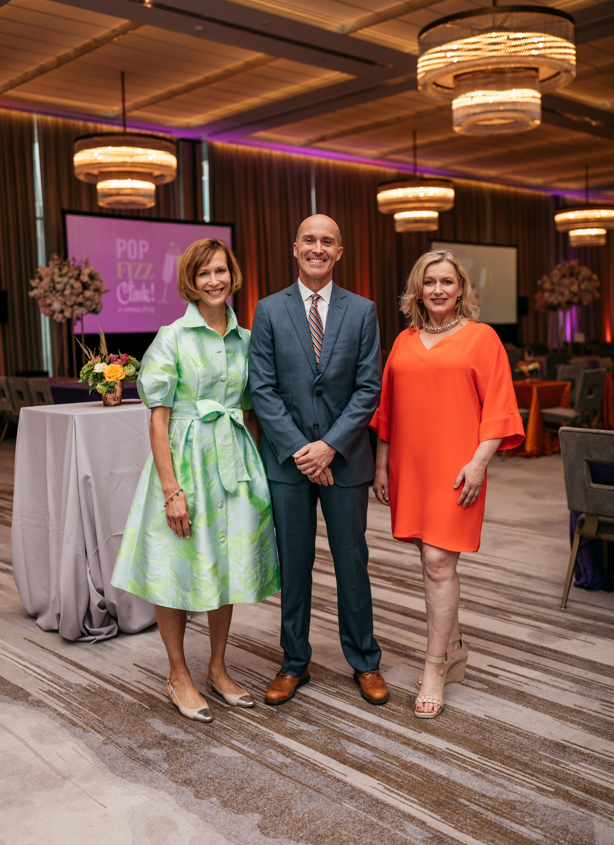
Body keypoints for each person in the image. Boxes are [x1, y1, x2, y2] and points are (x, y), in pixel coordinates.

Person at [112, 239, 280, 722]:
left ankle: (219, 668)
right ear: (191, 279)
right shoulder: (172, 337)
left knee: (224, 564)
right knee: (179, 570)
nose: (214, 280)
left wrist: (251, 471)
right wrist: (171, 490)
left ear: (233, 275)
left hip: (232, 467)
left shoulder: (247, 339)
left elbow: (252, 413)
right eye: (204, 272)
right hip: (184, 465)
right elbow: (157, 420)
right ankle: (178, 673)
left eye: (221, 271)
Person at [371, 249, 524, 719]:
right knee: (427, 556)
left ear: (461, 290)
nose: (438, 290)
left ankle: (435, 665)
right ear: (418, 289)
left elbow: (499, 407)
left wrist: (480, 463)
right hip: (409, 465)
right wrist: (381, 465)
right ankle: (454, 645)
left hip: (458, 467)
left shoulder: (482, 339)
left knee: (439, 562)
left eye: (447, 282)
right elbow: (388, 410)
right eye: (429, 282)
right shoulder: (404, 340)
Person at [248, 214, 388, 707]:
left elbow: (369, 387)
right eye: (310, 239)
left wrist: (329, 445)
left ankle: (365, 661)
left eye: (328, 241)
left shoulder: (363, 310)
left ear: (339, 253)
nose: (318, 248)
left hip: (345, 458)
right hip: (288, 462)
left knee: (353, 562)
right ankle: (293, 661)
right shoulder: (266, 311)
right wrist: (301, 450)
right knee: (295, 564)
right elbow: (261, 389)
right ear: (295, 248)